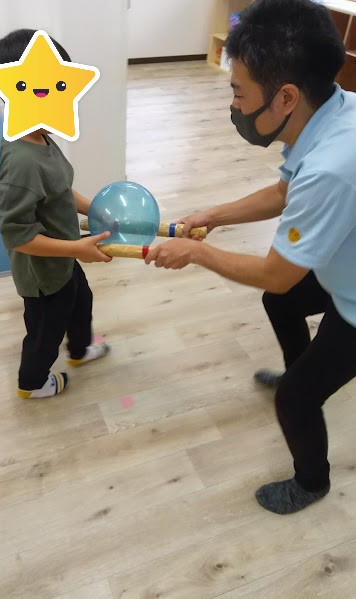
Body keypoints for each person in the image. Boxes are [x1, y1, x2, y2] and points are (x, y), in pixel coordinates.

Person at [145, 0, 356, 515]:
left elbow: (277, 274)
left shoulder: (331, 168)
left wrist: (196, 252)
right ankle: (299, 368)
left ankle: (311, 482)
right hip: (342, 259)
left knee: (296, 400)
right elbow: (286, 191)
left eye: (238, 91)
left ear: (286, 97)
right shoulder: (336, 109)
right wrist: (213, 215)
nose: (234, 104)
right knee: (280, 304)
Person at [0, 29, 111, 400]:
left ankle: (79, 351)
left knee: (81, 304)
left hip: (66, 256)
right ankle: (32, 383)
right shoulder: (22, 162)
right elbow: (18, 235)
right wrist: (78, 249)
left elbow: (59, 190)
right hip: (43, 274)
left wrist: (94, 209)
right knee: (45, 330)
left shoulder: (39, 134)